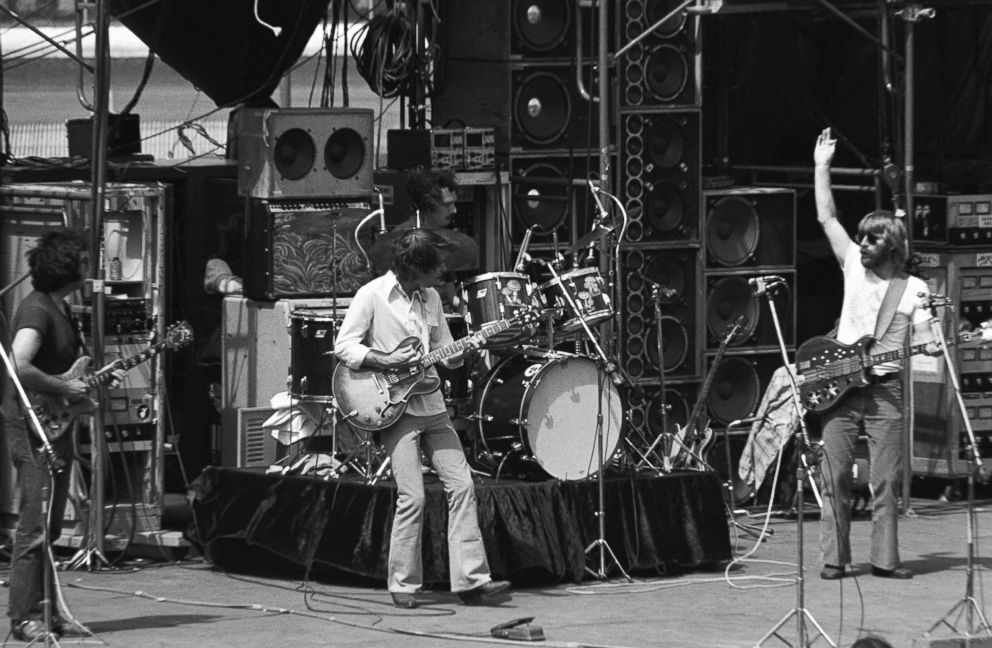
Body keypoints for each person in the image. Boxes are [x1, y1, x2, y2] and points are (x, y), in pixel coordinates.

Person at [334, 228, 510, 609]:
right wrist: (385, 360)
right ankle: (403, 584)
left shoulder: (430, 298)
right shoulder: (372, 295)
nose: (443, 272)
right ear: (416, 268)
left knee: (462, 485)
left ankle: (471, 581)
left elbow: (445, 354)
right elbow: (344, 345)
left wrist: (468, 347)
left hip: (431, 404)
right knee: (411, 495)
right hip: (394, 410)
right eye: (437, 267)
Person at [813, 127, 940, 581]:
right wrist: (821, 167)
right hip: (841, 387)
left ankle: (886, 560)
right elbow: (828, 219)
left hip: (885, 389)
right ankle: (834, 558)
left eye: (871, 239)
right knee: (835, 477)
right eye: (862, 238)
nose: (862, 244)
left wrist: (932, 342)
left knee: (885, 481)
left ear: (892, 245)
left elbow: (927, 346)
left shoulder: (914, 289)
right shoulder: (851, 266)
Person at [2, 230, 124, 641]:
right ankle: (22, 618)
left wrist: (89, 381)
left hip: (58, 424)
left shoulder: (62, 306)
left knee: (50, 528)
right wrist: (65, 388)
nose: (91, 266)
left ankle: (50, 612)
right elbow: (19, 365)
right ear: (67, 267)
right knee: (33, 526)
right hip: (33, 426)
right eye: (85, 260)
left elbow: (66, 369)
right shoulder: (36, 311)